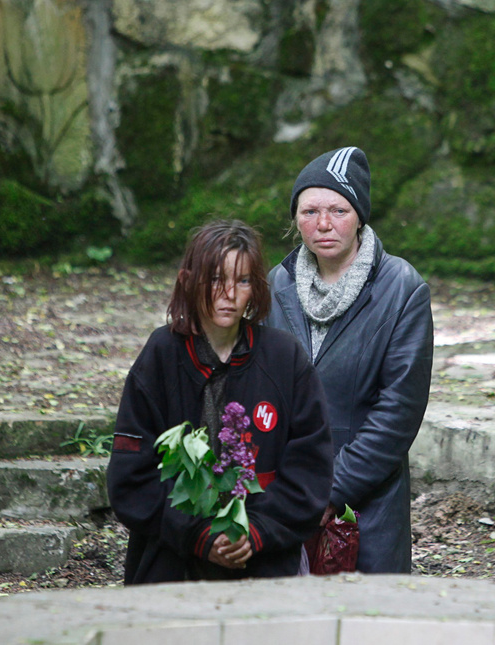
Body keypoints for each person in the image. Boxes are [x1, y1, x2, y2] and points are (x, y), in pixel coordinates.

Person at [106, 219, 333, 584]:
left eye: (242, 281)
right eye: (215, 280)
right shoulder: (161, 356)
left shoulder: (284, 358)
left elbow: (311, 471)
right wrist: (197, 535)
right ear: (188, 281)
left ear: (255, 288)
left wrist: (254, 532)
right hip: (170, 566)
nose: (229, 293)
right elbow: (131, 477)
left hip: (267, 568)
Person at [266, 146, 434, 574]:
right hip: (282, 496)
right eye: (309, 211)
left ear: (359, 215)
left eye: (338, 209)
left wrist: (330, 490)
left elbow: (399, 410)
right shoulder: (277, 283)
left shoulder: (402, 289)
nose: (323, 224)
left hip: (367, 504)